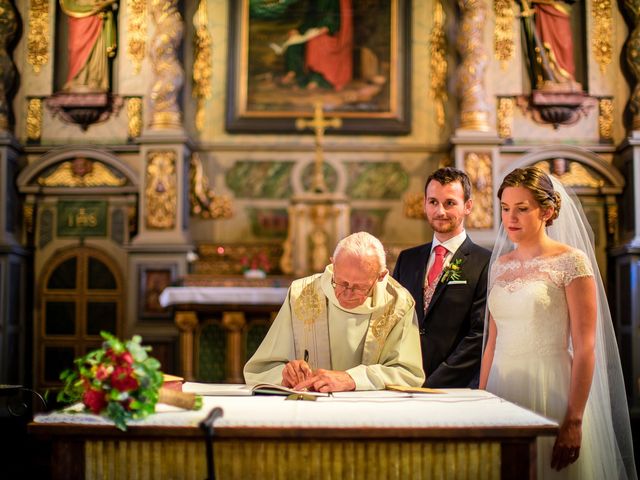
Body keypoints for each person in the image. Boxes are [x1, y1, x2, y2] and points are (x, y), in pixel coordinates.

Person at [479, 167, 636, 479]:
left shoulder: (571, 261)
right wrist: (480, 398)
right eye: (506, 209)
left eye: (522, 209)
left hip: (550, 387)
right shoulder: (499, 266)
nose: (511, 218)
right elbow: (492, 342)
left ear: (547, 211)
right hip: (500, 388)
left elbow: (586, 345)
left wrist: (574, 419)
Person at [244, 231, 425, 392]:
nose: (346, 294)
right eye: (342, 282)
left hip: (370, 414)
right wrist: (286, 375)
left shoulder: (398, 304)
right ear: (333, 264)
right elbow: (262, 369)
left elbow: (407, 373)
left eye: (359, 287)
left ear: (381, 276)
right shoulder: (302, 294)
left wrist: (352, 379)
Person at [393, 167, 491, 388]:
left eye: (449, 203)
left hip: (457, 387)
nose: (440, 211)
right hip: (404, 382)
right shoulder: (407, 260)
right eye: (433, 202)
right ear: (424, 204)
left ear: (468, 206)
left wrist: (434, 383)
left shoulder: (485, 262)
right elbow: (393, 320)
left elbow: (479, 335)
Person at [279, 0, 353, 91]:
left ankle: (316, 80)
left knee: (315, 42)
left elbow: (339, 17)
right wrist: (299, 30)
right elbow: (310, 18)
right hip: (315, 30)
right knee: (293, 40)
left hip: (333, 33)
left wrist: (327, 27)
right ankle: (294, 72)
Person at [518, 0, 581, 92]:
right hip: (543, 11)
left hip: (560, 9)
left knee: (565, 47)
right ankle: (548, 78)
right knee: (545, 45)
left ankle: (566, 78)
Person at [60, 0, 118, 93]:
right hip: (78, 11)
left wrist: (104, 3)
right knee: (76, 46)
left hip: (97, 13)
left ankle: (95, 78)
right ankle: (77, 79)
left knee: (96, 48)